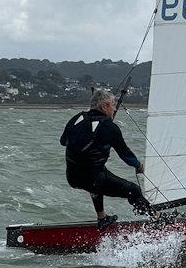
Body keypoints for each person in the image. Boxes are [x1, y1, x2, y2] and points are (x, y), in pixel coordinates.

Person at [61, 89, 152, 230]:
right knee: (133, 190)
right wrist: (139, 166)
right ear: (104, 106)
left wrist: (92, 141)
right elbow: (126, 155)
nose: (115, 108)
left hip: (72, 178)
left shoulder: (76, 118)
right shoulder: (109, 127)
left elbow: (63, 141)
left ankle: (102, 218)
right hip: (93, 179)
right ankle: (156, 218)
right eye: (113, 105)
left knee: (96, 179)